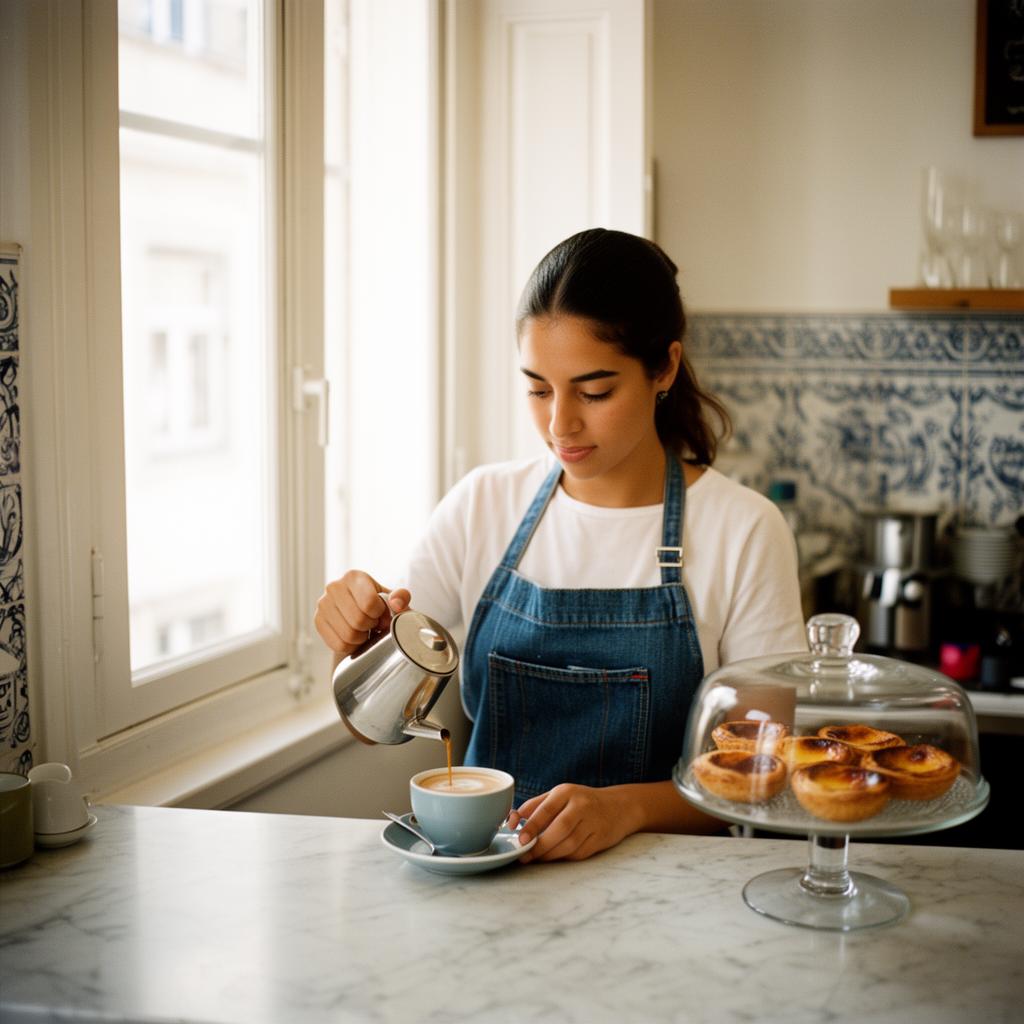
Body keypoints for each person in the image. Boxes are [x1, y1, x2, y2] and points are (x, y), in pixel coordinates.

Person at [315, 228, 806, 862]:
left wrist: (627, 808)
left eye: (594, 392)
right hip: (487, 894)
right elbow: (369, 724)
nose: (559, 425)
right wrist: (351, 637)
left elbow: (763, 774)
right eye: (538, 388)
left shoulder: (744, 529)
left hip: (668, 900)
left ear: (665, 367)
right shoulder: (481, 505)